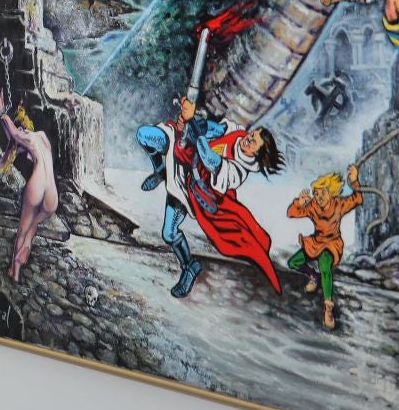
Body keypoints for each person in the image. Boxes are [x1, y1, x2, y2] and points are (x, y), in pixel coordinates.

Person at [137, 94, 284, 298]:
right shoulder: (236, 133)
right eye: (251, 135)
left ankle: (189, 266)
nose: (247, 140)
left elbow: (209, 158)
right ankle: (161, 169)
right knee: (144, 135)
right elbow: (211, 128)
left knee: (169, 234)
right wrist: (193, 117)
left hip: (187, 188)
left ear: (256, 155)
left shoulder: (237, 172)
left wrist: (192, 123)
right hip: (180, 150)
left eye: (252, 143)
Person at [0, 86, 57, 282]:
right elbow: (14, 137)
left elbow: (15, 134)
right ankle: (27, 244)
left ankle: (15, 273)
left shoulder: (29, 138)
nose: (21, 130)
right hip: (52, 196)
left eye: (21, 128)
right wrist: (13, 134)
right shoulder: (43, 138)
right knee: (32, 226)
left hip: (37, 186)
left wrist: (1, 110)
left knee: (22, 228)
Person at [286, 165, 364, 330]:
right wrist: (299, 203)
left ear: (332, 192)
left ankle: (328, 308)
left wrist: (354, 181)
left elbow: (357, 199)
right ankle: (313, 276)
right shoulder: (313, 205)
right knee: (293, 262)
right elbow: (292, 213)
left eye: (322, 192)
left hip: (332, 244)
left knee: (325, 265)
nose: (319, 196)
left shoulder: (339, 205)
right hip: (316, 242)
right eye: (317, 193)